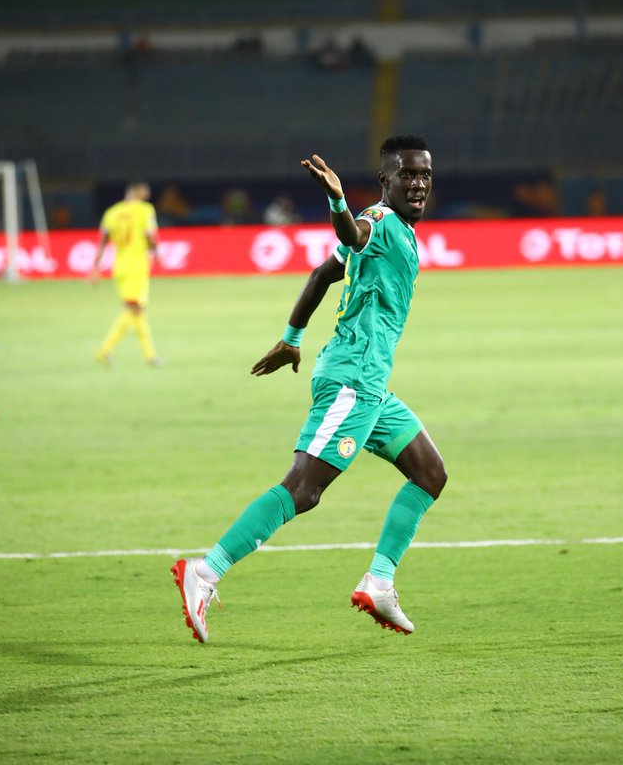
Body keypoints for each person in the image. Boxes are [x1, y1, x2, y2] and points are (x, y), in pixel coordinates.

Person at [172, 135, 447, 643]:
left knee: (430, 473)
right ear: (386, 180)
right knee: (304, 488)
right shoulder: (382, 223)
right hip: (352, 381)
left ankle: (379, 582)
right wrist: (337, 200)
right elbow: (355, 231)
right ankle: (204, 573)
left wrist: (292, 340)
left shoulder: (403, 232)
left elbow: (324, 272)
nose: (418, 183)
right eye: (406, 174)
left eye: (424, 174)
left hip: (368, 384)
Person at [90, 181, 162, 367]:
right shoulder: (145, 210)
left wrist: (96, 268)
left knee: (139, 312)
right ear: (138, 191)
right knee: (133, 310)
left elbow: (103, 241)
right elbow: (149, 234)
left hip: (119, 267)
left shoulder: (111, 213)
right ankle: (104, 350)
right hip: (137, 266)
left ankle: (150, 356)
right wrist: (156, 253)